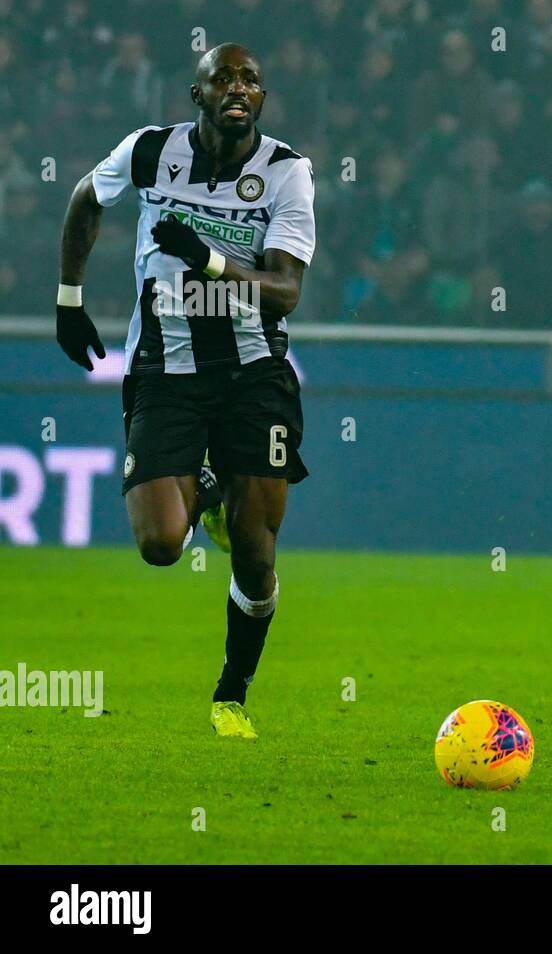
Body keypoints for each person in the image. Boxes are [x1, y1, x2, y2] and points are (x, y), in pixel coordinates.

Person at [56, 43, 316, 740]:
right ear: (196, 94)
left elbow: (285, 291)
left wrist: (205, 257)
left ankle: (232, 693)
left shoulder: (287, 173)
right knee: (160, 545)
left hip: (254, 374)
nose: (239, 87)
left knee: (257, 556)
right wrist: (68, 296)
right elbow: (86, 197)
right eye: (223, 78)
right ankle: (204, 486)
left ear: (262, 98)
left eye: (251, 79)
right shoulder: (149, 152)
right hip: (164, 368)